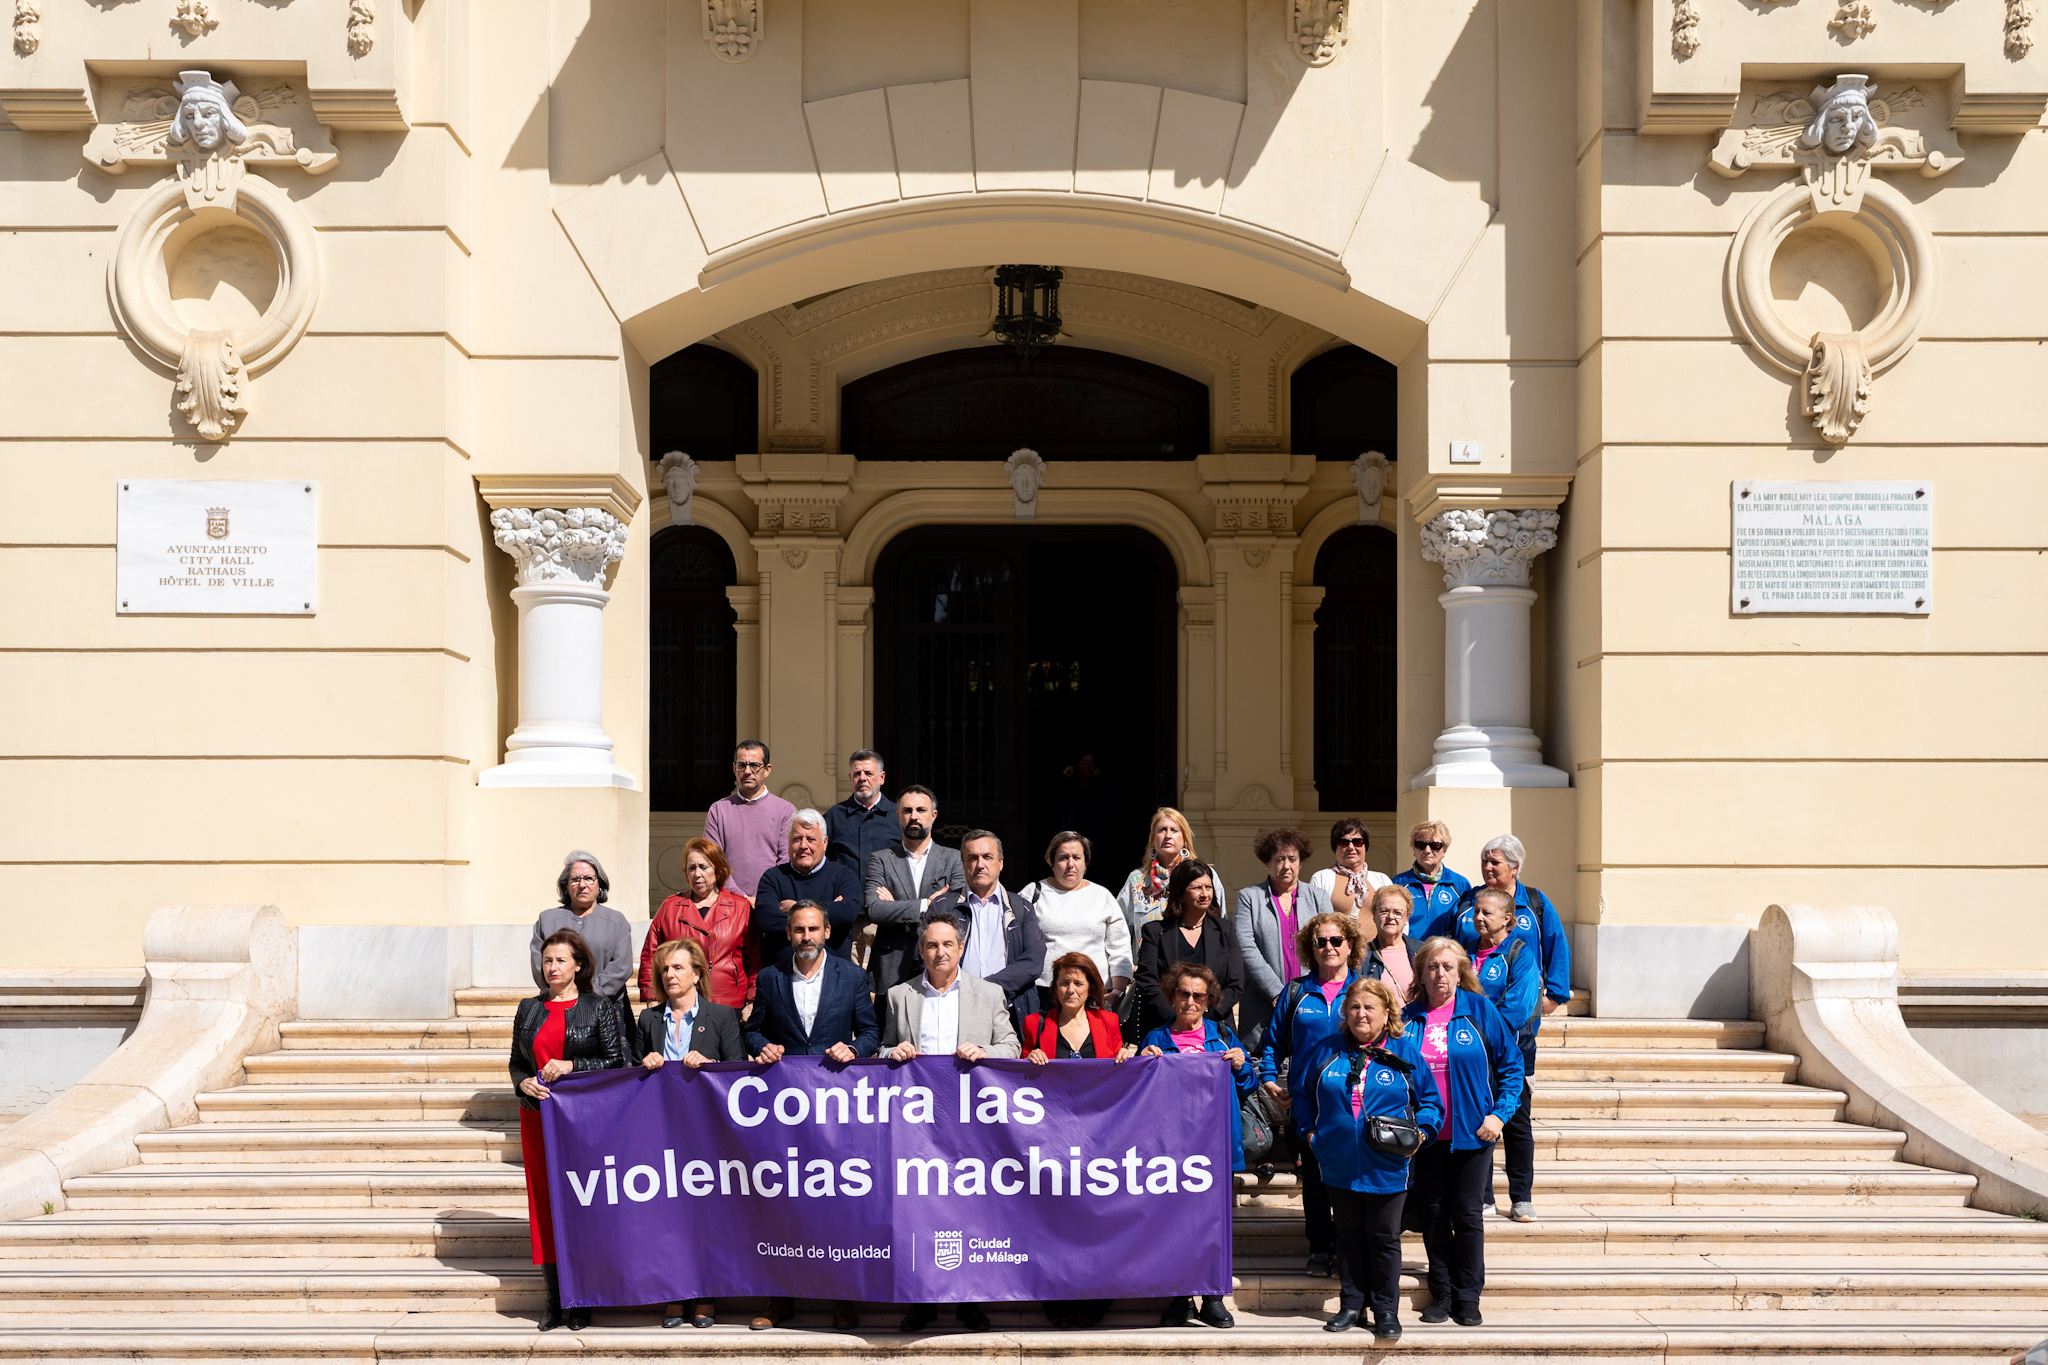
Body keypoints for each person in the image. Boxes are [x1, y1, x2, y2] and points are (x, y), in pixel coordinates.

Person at [884, 909, 1021, 1335]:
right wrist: (895, 1052)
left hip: (972, 1124)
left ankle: (971, 1301)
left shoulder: (988, 994)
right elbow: (887, 1046)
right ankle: (921, 1301)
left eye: (948, 944)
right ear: (920, 951)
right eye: (931, 945)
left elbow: (1012, 1047)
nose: (940, 951)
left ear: (961, 948)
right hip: (918, 1125)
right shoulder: (898, 995)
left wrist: (984, 1051)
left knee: (973, 1212)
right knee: (920, 1212)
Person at [742, 902, 879, 1331]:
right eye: (799, 930)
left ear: (826, 931)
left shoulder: (852, 977)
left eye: (813, 929)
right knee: (784, 1205)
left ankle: (843, 1299)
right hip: (783, 1111)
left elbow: (872, 1031)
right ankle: (781, 1297)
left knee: (838, 1204)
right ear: (788, 934)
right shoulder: (770, 978)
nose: (806, 937)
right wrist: (762, 1045)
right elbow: (753, 1028)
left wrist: (854, 1049)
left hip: (835, 1111)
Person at [1300, 977, 1442, 1340]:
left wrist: (1422, 1132)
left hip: (1388, 1164)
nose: (1361, 1014)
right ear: (1345, 1012)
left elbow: (1430, 1102)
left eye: (1369, 1008)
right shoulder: (1326, 1049)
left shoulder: (1404, 1051)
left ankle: (1385, 1310)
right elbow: (1302, 1097)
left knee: (1382, 1237)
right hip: (1338, 1162)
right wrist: (1312, 1134)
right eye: (1354, 1007)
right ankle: (1351, 1305)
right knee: (1347, 1235)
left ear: (1386, 1013)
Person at [1402, 937, 1525, 1329]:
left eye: (1448, 967)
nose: (1440, 974)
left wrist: (1500, 1116)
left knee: (1468, 1215)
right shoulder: (1406, 1018)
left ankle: (1469, 1296)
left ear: (1461, 972)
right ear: (1420, 972)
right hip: (1425, 1136)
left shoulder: (1480, 1010)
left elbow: (1512, 1067)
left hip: (1474, 1134)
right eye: (1433, 967)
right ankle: (1442, 1292)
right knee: (1434, 1214)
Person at [1447, 835, 1570, 1222]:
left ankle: (1521, 1195)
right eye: (1484, 861)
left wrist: (1555, 995)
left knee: (1516, 1117)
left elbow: (1555, 947)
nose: (1487, 868)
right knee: (1477, 1117)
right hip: (1469, 1047)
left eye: (1495, 862)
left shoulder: (1533, 907)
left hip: (1512, 1045)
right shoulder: (1468, 913)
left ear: (1514, 867)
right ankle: (1481, 1194)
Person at [510, 928, 627, 1332]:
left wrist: (573, 1066)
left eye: (560, 960)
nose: (552, 967)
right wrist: (522, 1083)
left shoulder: (597, 1007)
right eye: (547, 960)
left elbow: (615, 1062)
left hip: (582, 1125)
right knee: (544, 1209)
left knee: (581, 1206)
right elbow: (517, 1063)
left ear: (578, 964)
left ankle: (583, 1299)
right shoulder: (528, 1009)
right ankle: (553, 1300)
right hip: (537, 1121)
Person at [635, 938, 747, 1330]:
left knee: (705, 1214)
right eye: (665, 969)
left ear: (697, 974)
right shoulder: (649, 1020)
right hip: (661, 1131)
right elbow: (631, 1078)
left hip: (707, 1133)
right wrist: (644, 1062)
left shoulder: (721, 1016)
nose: (670, 975)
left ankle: (705, 1294)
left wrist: (711, 1066)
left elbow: (739, 1073)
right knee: (667, 1215)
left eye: (678, 967)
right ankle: (674, 1292)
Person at [1140, 962, 1258, 1330]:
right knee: (1173, 1225)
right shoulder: (1156, 1039)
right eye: (1183, 993)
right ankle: (1180, 1298)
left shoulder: (1222, 1036)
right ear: (1172, 996)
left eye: (1198, 995)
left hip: (1215, 1147)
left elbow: (1249, 1085)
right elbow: (1139, 1098)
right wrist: (1142, 1066)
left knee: (1214, 1225)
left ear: (1209, 1001)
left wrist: (1241, 1065)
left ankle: (1213, 1299)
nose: (1190, 1001)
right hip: (1171, 1150)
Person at [1022, 952, 1135, 1330]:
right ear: (1054, 988)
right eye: (1064, 982)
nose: (1071, 989)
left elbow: (1120, 1070)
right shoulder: (1035, 1023)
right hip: (1051, 1142)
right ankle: (1057, 1298)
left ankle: (1095, 1297)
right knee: (1055, 1224)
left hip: (1100, 1140)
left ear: (1092, 989)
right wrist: (1029, 1058)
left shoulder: (1109, 1021)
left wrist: (1125, 1058)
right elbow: (1016, 1079)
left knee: (1094, 1222)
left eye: (1079, 983)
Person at [1255, 910, 1364, 1286]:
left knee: (1351, 1175)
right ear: (1310, 948)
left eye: (1337, 941)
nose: (1329, 948)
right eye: (1321, 942)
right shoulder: (1296, 991)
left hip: (1356, 1100)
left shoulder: (1365, 991)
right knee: (1315, 1178)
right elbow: (1272, 1042)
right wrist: (1269, 1079)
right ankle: (1320, 1247)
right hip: (1308, 1102)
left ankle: (1350, 1247)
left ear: (1350, 945)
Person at [1232, 827, 1333, 1055]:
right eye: (1279, 859)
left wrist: (1308, 994)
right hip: (1263, 1007)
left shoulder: (1319, 898)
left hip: (1312, 1000)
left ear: (1301, 863)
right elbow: (1245, 947)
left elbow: (1330, 944)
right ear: (1266, 863)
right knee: (1267, 1078)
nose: (1286, 866)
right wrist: (1278, 993)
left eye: (1292, 859)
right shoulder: (1249, 897)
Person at [925, 829, 1047, 1011]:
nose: (980, 864)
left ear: (1001, 863)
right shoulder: (943, 906)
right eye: (973, 858)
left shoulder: (1021, 908)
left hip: (1008, 1009)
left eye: (987, 857)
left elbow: (1033, 961)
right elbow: (927, 956)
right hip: (955, 1007)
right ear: (963, 863)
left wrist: (984, 988)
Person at [862, 785, 964, 994]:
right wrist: (926, 905)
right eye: (907, 811)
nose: (913, 816)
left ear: (933, 815)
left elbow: (955, 910)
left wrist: (895, 907)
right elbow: (874, 909)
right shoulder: (881, 859)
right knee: (888, 1027)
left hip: (939, 964)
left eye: (921, 810)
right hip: (890, 966)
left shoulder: (953, 859)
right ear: (898, 815)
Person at [1018, 831, 1132, 1017]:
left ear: (1085, 862)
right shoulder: (1032, 894)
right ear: (1051, 862)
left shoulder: (1102, 896)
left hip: (1094, 996)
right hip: (1044, 997)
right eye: (1063, 858)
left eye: (1076, 857)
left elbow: (1119, 948)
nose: (1071, 864)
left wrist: (1117, 993)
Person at [638, 837, 756, 1011]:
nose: (697, 874)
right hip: (681, 1003)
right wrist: (652, 996)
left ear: (718, 870)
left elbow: (756, 959)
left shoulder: (741, 907)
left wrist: (753, 1001)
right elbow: (650, 954)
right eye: (691, 868)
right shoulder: (670, 907)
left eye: (703, 867)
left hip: (729, 1002)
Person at [1132, 858, 1243, 1039]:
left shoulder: (1226, 930)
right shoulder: (1155, 932)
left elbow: (1235, 983)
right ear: (1180, 892)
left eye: (1208, 887)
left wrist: (1202, 1019)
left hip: (1214, 1029)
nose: (1204, 894)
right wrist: (1178, 1019)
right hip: (1165, 1030)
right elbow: (1147, 982)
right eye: (1196, 888)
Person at [530, 851, 635, 1037]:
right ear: (566, 885)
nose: (582, 885)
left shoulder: (616, 921)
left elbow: (621, 967)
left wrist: (589, 996)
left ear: (599, 884)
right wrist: (566, 995)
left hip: (606, 1009)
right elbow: (540, 965)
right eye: (575, 879)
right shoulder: (547, 920)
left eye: (588, 878)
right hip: (558, 1008)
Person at [752, 808, 863, 965]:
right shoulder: (772, 878)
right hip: (783, 974)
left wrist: (796, 907)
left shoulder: (844, 875)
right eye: (797, 839)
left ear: (825, 843)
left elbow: (847, 912)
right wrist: (828, 913)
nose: (803, 845)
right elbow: (767, 920)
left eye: (811, 839)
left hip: (833, 975)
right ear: (789, 843)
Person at [1113, 806, 1226, 947]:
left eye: (1174, 830)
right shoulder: (1136, 880)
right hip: (1148, 964)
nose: (1168, 835)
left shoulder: (1204, 875)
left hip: (1192, 964)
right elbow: (1118, 929)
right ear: (1152, 839)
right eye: (1162, 830)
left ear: (1184, 838)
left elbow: (1219, 923)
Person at [701, 740, 797, 903]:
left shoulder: (785, 811)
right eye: (741, 765)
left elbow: (787, 861)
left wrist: (764, 898)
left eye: (754, 765)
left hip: (773, 902)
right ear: (734, 769)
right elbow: (713, 860)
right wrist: (742, 898)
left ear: (767, 770)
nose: (747, 771)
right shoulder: (719, 810)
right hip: (728, 904)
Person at [1392, 821, 1470, 944]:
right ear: (1414, 849)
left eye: (1435, 845)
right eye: (1421, 845)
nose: (1427, 850)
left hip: (1445, 955)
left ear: (1444, 851)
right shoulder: (1399, 883)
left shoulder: (1460, 884)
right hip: (1408, 954)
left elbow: (1466, 925)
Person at [825, 748, 897, 874]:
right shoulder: (834, 816)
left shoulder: (899, 815)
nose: (862, 778)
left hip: (888, 893)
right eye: (857, 774)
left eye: (868, 773)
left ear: (882, 777)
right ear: (850, 778)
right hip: (845, 892)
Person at [1309, 818, 1391, 920]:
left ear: (1365, 846)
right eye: (1344, 842)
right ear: (1335, 847)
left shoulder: (1382, 880)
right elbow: (1313, 921)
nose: (1351, 847)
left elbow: (1399, 918)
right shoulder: (1321, 878)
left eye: (1357, 842)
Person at [1361, 884, 1422, 1001]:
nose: (1390, 916)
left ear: (1407, 918)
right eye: (1384, 911)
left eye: (1398, 912)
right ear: (1374, 915)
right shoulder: (1361, 955)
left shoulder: (1422, 951)